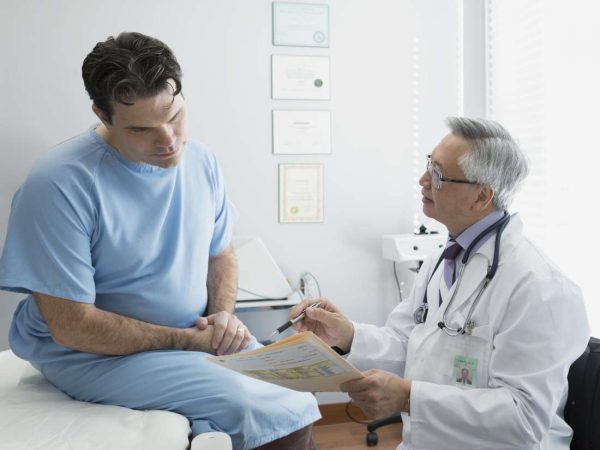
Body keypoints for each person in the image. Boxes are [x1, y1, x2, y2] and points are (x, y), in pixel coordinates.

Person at [0, 32, 319, 450]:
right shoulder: (58, 185)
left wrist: (221, 317)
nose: (168, 140)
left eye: (175, 116)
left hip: (192, 336)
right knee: (262, 406)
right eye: (141, 129)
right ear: (102, 114)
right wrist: (191, 341)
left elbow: (220, 255)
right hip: (91, 354)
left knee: (295, 386)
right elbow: (73, 327)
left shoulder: (201, 161)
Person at [290, 117, 589, 450]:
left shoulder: (541, 289)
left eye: (437, 174)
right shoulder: (442, 260)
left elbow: (525, 418)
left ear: (481, 197)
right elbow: (408, 343)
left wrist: (409, 398)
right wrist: (347, 335)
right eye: (428, 165)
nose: (422, 180)